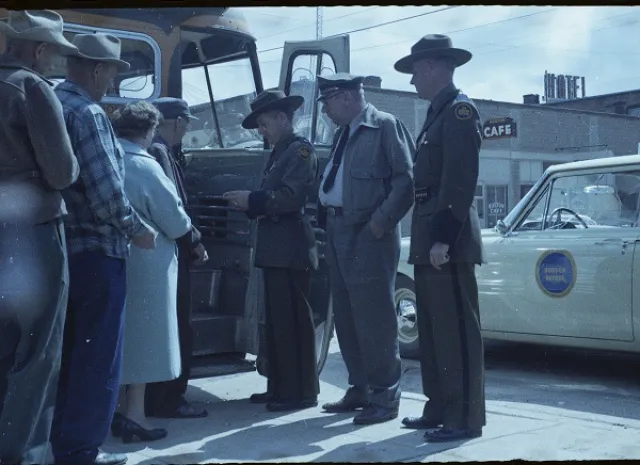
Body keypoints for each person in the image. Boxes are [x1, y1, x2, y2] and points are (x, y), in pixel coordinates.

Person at [51, 33, 157, 465]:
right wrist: (138, 229)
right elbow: (107, 193)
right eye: (112, 73)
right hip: (99, 252)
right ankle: (80, 452)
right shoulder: (89, 114)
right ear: (96, 69)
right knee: (97, 360)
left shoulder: (54, 104)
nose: (113, 83)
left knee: (66, 357)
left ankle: (57, 445)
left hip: (63, 251)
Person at [394, 34, 486, 442]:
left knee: (455, 335)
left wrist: (443, 239)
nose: (412, 81)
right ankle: (438, 407)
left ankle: (463, 418)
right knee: (433, 332)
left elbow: (460, 181)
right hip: (429, 237)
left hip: (447, 241)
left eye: (415, 72)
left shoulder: (459, 111)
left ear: (431, 67)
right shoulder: (437, 113)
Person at [0, 10, 79, 465]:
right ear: (41, 49)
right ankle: (21, 454)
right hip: (31, 232)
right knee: (38, 351)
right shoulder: (32, 88)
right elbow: (62, 171)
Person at [317, 73, 414, 425]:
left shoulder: (385, 126)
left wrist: (380, 222)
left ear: (345, 97)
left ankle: (385, 399)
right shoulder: (343, 133)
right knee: (347, 317)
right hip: (338, 230)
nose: (325, 111)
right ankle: (361, 389)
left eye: (327, 102)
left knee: (375, 319)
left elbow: (407, 180)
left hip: (368, 234)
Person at [223, 90, 320, 411]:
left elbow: (291, 197)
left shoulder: (300, 151)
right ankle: (279, 386)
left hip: (290, 249)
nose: (261, 131)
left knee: (293, 321)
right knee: (278, 322)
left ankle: (300, 392)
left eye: (264, 124)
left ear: (282, 117)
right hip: (278, 249)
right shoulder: (281, 151)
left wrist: (252, 200)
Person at [111, 101, 199, 443]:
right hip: (148, 265)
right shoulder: (144, 166)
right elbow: (174, 217)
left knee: (119, 339)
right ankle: (136, 415)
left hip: (115, 258)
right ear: (149, 131)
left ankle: (117, 411)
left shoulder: (109, 158)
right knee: (145, 341)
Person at [144, 97, 208, 420]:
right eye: (185, 124)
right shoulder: (160, 152)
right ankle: (171, 398)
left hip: (158, 249)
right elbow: (173, 206)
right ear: (177, 123)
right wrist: (194, 241)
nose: (185, 130)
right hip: (172, 248)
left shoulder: (156, 149)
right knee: (179, 323)